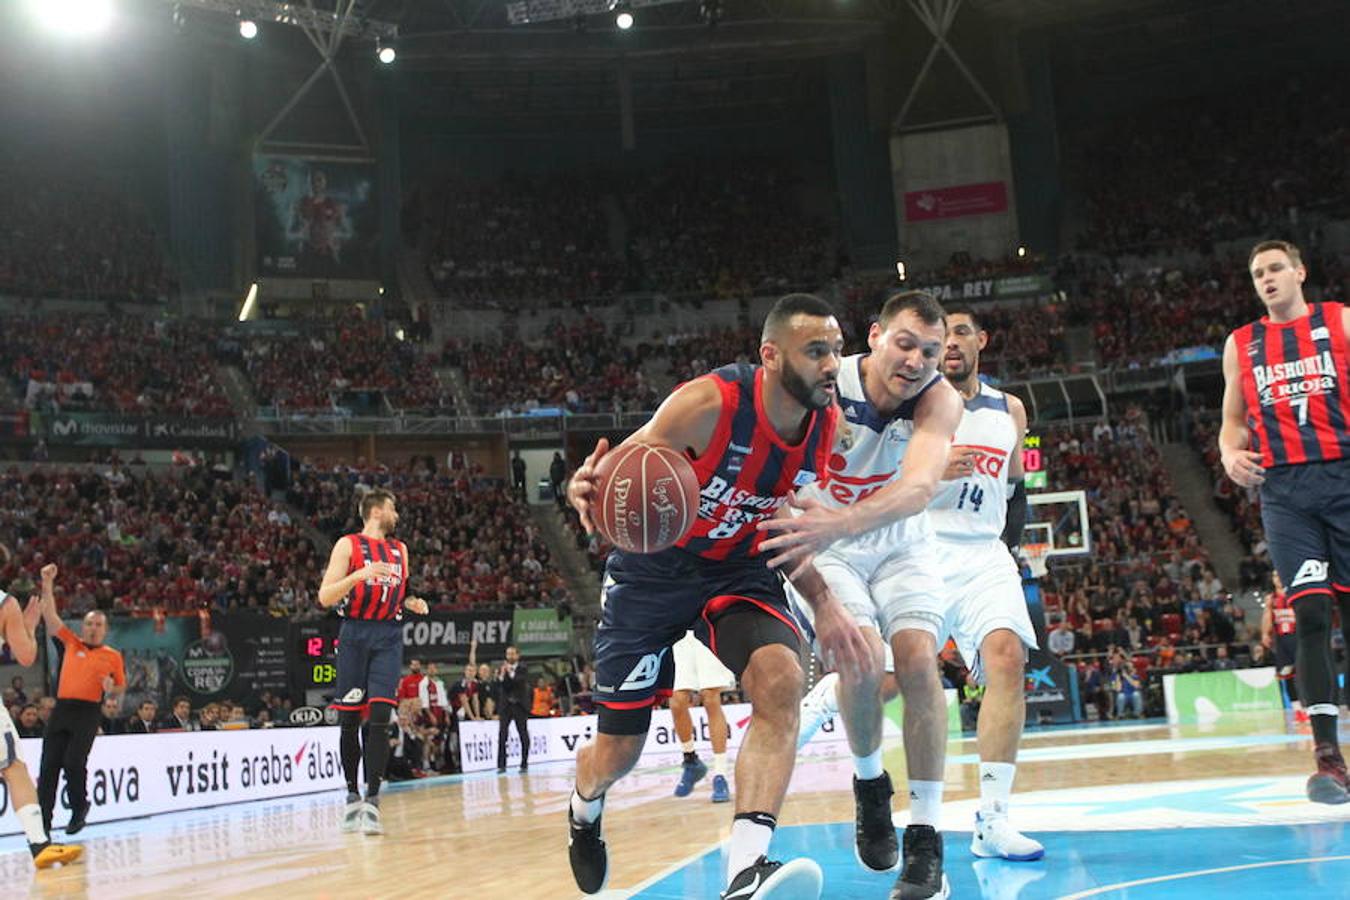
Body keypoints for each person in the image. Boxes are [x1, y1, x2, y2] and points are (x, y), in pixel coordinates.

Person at [565, 294, 869, 900]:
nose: (832, 364)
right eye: (816, 351)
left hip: (736, 569)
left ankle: (745, 870)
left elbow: (780, 521)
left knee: (782, 680)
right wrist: (587, 484)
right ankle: (584, 806)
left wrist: (826, 602)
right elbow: (625, 465)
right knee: (619, 752)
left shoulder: (824, 428)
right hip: (652, 573)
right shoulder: (709, 404)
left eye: (837, 350)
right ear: (771, 355)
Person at [763, 291, 962, 900]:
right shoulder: (825, 380)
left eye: (930, 351)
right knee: (862, 657)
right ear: (874, 337)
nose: (916, 360)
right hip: (826, 544)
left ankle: (925, 837)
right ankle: (870, 782)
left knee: (920, 661)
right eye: (905, 343)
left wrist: (844, 520)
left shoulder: (939, 400)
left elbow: (921, 487)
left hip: (899, 541)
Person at [1219, 239, 1350, 803]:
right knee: (1312, 615)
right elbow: (1232, 420)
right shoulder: (1242, 343)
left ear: (1300, 272)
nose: (1266, 278)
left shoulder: (1341, 322)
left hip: (1344, 477)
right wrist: (1229, 452)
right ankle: (1328, 760)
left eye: (1275, 268)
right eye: (1258, 273)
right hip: (1286, 493)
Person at [928, 307, 1043, 861]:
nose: (950, 342)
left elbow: (1017, 489)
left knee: (1007, 658)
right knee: (884, 680)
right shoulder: (914, 404)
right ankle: (823, 704)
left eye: (960, 333)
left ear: (981, 340)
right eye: (941, 335)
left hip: (983, 552)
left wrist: (1009, 551)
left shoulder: (1010, 409)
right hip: (920, 546)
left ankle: (992, 819)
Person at [318, 488, 430, 835]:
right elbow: (325, 597)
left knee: (381, 716)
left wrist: (411, 603)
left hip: (388, 636)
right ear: (377, 511)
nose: (397, 515)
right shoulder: (348, 545)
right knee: (350, 720)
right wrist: (358, 575)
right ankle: (352, 795)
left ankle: (372, 800)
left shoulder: (400, 550)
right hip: (354, 634)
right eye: (392, 508)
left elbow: (400, 593)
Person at [0, 575, 82, 868]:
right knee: (14, 767)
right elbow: (26, 657)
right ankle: (39, 844)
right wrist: (29, 626)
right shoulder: (5, 604)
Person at [37, 565, 124, 838]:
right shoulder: (70, 643)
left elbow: (120, 687)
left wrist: (111, 688)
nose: (93, 628)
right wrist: (47, 583)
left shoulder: (112, 656)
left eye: (98, 625)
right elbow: (50, 616)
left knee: (74, 762)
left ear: (105, 629)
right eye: (89, 624)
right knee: (48, 767)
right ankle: (43, 825)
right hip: (63, 709)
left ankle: (79, 807)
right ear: (82, 626)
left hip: (88, 712)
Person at [668, 631, 734, 803]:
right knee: (676, 701)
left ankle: (720, 774)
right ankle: (691, 760)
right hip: (678, 632)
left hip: (705, 627)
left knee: (710, 697)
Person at [1261, 571, 1306, 723]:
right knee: (1287, 675)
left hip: (1298, 637)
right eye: (1274, 576)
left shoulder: (1294, 593)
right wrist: (1265, 634)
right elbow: (1267, 616)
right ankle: (1297, 710)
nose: (1278, 578)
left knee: (1304, 673)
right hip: (1282, 640)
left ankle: (1309, 707)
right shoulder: (1271, 598)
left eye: (1279, 574)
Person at [496, 646, 531, 773]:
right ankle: (501, 765)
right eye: (508, 654)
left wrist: (509, 673)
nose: (510, 656)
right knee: (502, 735)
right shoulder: (502, 668)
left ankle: (524, 763)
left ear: (517, 655)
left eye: (512, 654)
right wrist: (501, 676)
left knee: (523, 734)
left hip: (519, 705)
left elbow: (518, 682)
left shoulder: (523, 668)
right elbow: (501, 686)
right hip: (506, 706)